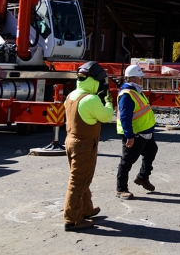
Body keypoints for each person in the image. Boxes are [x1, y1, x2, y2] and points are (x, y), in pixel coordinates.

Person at [63, 61, 114, 232]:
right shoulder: (91, 99)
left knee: (81, 178)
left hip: (70, 141)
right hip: (84, 145)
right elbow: (107, 117)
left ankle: (86, 209)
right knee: (78, 182)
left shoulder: (72, 95)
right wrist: (108, 101)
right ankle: (73, 220)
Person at [116, 64, 158, 200]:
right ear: (132, 78)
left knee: (151, 151)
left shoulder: (135, 91)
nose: (142, 80)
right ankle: (121, 189)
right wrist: (129, 135)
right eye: (140, 78)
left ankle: (142, 177)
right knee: (127, 160)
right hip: (135, 133)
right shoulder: (127, 94)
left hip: (144, 131)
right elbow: (124, 117)